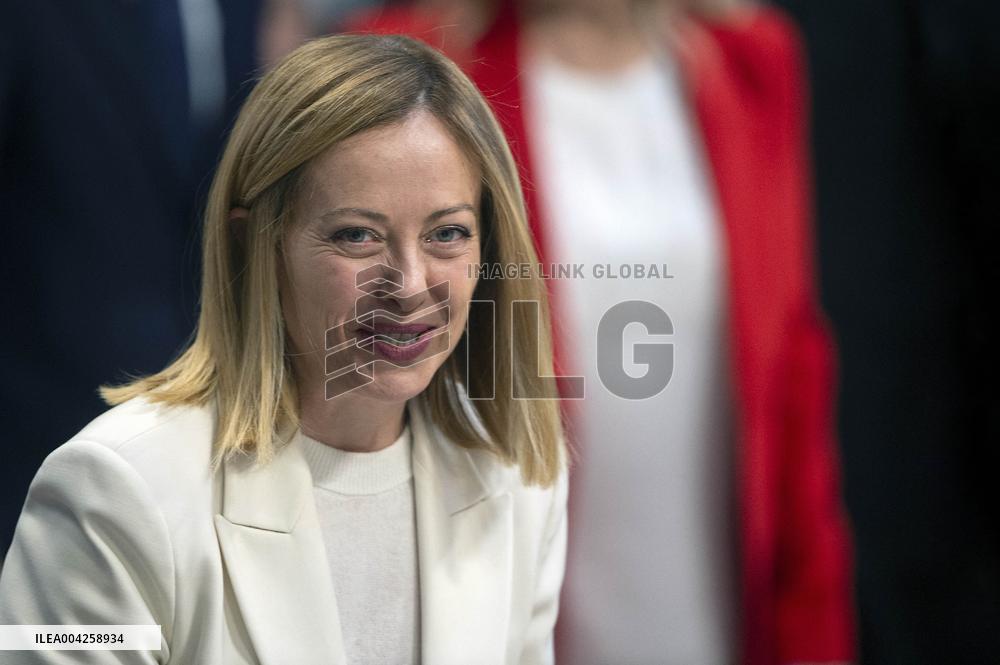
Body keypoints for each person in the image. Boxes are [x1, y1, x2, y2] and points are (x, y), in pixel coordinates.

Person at [0, 33, 569, 665]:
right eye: (357, 236)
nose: (410, 285)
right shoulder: (114, 492)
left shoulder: (520, 480)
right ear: (256, 247)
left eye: (447, 234)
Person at [346, 1, 855, 664]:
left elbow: (793, 385)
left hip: (723, 619)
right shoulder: (422, 66)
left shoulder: (749, 60)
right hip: (499, 624)